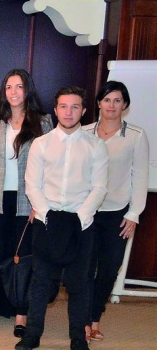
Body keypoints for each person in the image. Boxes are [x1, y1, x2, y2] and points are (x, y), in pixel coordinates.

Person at [17, 86, 108, 350]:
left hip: (82, 222)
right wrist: (47, 215)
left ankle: (78, 339)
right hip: (47, 221)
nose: (69, 112)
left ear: (84, 110)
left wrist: (80, 217)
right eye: (64, 106)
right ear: (55, 110)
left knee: (80, 284)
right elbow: (32, 185)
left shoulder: (95, 146)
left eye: (75, 106)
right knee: (41, 283)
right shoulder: (41, 144)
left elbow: (99, 187)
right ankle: (32, 335)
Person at [0, 69, 52, 335]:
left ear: (27, 90)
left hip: (27, 202)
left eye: (18, 87)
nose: (13, 92)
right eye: (8, 87)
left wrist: (40, 205)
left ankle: (20, 318)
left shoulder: (42, 121)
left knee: (22, 260)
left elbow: (50, 168)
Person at [84, 81, 148, 342]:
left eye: (117, 100)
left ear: (125, 105)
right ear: (98, 103)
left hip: (118, 214)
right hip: (86, 213)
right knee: (84, 269)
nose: (112, 105)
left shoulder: (136, 135)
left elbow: (140, 177)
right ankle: (84, 323)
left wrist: (134, 214)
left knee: (109, 269)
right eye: (107, 99)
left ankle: (94, 318)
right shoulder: (84, 132)